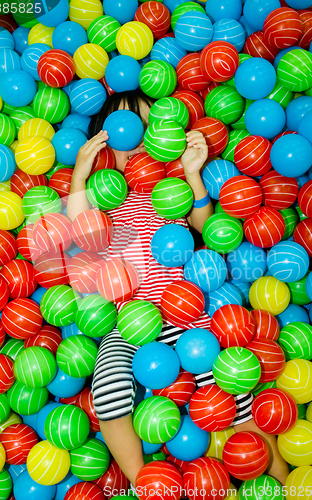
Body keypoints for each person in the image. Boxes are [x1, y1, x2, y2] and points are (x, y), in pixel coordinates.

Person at [67, 89, 289, 488]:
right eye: (122, 132)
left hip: (185, 309)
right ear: (103, 142)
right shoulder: (105, 200)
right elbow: (82, 235)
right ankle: (144, 482)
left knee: (233, 393)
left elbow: (205, 227)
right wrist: (80, 176)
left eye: (146, 129)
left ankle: (285, 481)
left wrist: (191, 173)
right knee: (107, 391)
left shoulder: (167, 193)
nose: (135, 141)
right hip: (129, 319)